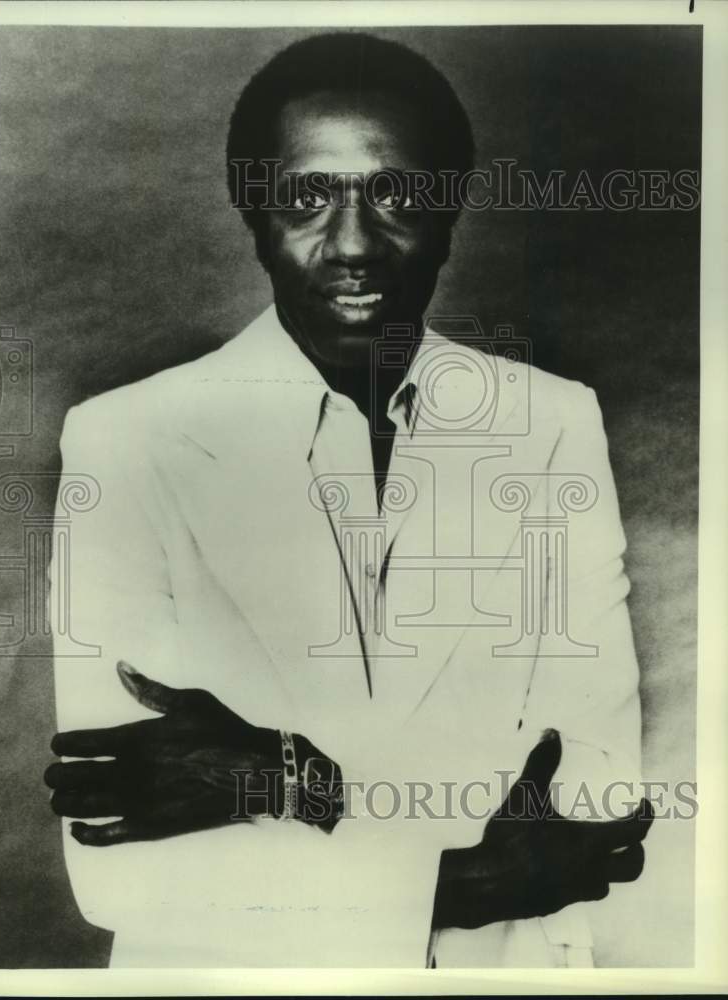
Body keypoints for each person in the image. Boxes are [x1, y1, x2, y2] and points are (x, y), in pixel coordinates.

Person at [45, 32, 651, 968]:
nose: (355, 244)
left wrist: (286, 780)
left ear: (449, 209)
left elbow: (600, 801)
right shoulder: (125, 439)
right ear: (252, 210)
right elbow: (119, 871)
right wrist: (466, 877)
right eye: (305, 198)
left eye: (397, 194)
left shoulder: (549, 423)